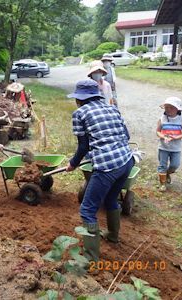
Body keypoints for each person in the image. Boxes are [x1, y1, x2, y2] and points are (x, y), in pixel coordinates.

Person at [66, 79, 134, 262]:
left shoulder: (79, 113)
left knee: (87, 210)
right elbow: (126, 136)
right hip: (127, 160)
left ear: (79, 99)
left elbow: (83, 146)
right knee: (111, 198)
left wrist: (72, 164)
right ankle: (113, 235)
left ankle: (90, 258)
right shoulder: (112, 108)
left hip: (107, 167)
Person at [156, 97, 182, 191]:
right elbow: (158, 131)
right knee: (162, 165)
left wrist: (176, 137)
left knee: (175, 165)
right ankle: (162, 184)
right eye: (166, 107)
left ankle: (167, 174)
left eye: (171, 107)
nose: (168, 109)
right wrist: (162, 136)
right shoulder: (162, 118)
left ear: (177, 109)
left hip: (176, 148)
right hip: (163, 147)